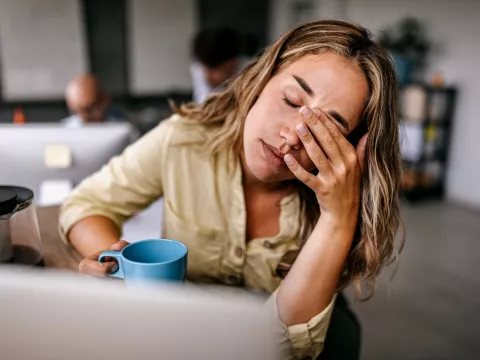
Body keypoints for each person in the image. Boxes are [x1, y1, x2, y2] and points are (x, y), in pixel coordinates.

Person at [60, 20, 402, 360]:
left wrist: (337, 217)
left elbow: (284, 348)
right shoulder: (184, 140)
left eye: (326, 129)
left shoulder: (340, 199)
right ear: (261, 79)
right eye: (291, 99)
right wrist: (122, 269)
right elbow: (86, 204)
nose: (292, 136)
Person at [190, 27, 250, 103]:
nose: (207, 76)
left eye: (213, 69)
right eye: (205, 68)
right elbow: (203, 104)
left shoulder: (250, 72)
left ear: (232, 63)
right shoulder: (198, 69)